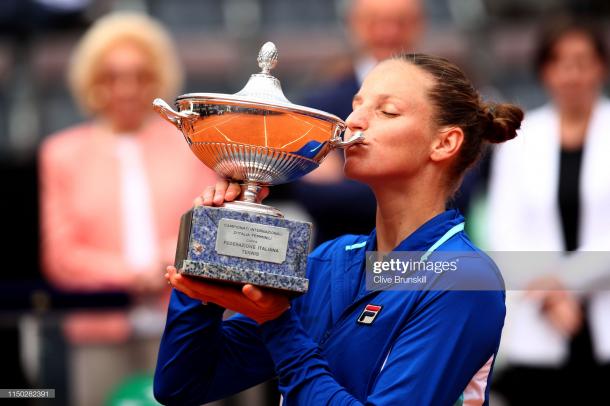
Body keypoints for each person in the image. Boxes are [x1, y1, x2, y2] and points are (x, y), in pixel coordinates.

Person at [154, 53, 524, 405]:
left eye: (387, 111)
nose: (353, 122)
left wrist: (278, 323)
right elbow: (182, 385)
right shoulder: (330, 261)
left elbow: (284, 338)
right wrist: (203, 260)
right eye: (357, 104)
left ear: (444, 143)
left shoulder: (463, 278)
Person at [39, 12, 216, 405]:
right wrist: (131, 275)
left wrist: (161, 265)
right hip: (99, 327)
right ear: (92, 83)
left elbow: (207, 227)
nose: (126, 89)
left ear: (158, 81)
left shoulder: (192, 147)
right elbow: (61, 254)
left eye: (140, 76)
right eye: (112, 77)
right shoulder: (61, 153)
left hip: (181, 320)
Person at [487, 18, 610, 405]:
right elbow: (503, 228)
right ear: (545, 70)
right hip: (542, 320)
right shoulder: (521, 141)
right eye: (561, 62)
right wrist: (552, 296)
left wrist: (566, 284)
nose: (572, 74)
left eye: (582, 61)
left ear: (601, 67)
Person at [293, 0, 425, 245]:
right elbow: (314, 197)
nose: (388, 32)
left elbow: (457, 193)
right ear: (353, 25)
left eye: (400, 22)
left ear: (419, 25)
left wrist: (345, 178)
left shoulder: (446, 99)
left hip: (424, 263)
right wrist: (413, 178)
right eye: (375, 22)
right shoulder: (319, 105)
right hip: (340, 264)